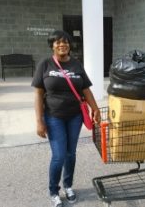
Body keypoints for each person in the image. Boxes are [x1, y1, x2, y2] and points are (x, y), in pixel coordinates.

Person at [32, 30, 100, 207]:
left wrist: (96, 109)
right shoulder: (45, 64)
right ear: (52, 46)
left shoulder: (76, 64)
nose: (62, 45)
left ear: (70, 45)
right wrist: (39, 121)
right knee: (59, 155)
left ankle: (68, 186)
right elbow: (38, 94)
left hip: (75, 116)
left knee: (71, 154)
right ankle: (54, 190)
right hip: (54, 117)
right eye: (58, 42)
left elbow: (86, 89)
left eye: (66, 42)